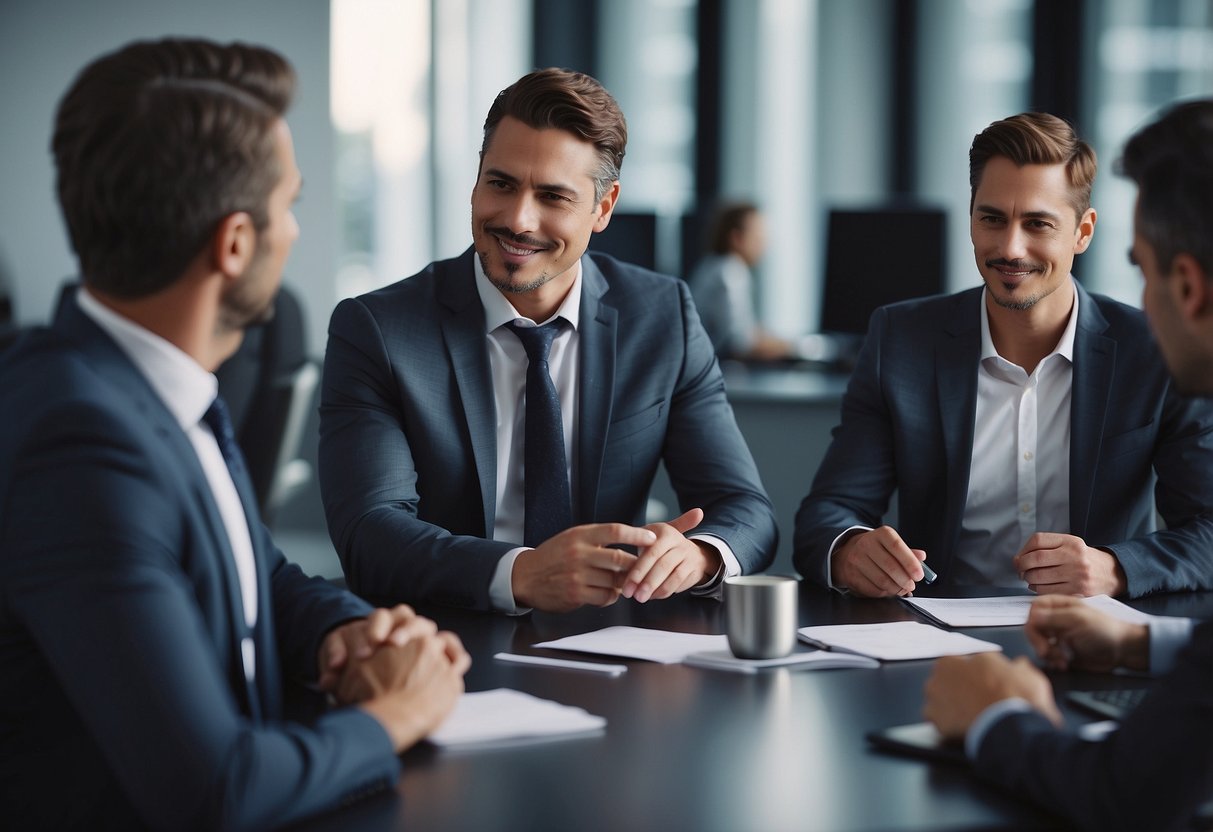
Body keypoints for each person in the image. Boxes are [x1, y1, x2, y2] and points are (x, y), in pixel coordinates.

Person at [0, 39, 470, 830]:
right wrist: (396, 714)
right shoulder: (81, 443)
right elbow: (216, 792)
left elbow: (249, 569)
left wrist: (344, 635)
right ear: (235, 243)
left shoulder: (146, 382)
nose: (293, 229)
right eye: (288, 204)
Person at [320, 68, 776, 615]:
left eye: (553, 196)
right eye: (501, 183)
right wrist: (521, 573)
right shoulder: (378, 328)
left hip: (611, 641)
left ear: (602, 209)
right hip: (444, 636)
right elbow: (369, 532)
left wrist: (699, 555)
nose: (517, 219)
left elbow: (745, 508)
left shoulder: (661, 317)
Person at [921, 97, 1213, 832]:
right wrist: (1141, 641)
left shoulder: (1140, 355)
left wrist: (992, 718)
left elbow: (1124, 794)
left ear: (1188, 287)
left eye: (1140, 270)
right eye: (991, 218)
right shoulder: (905, 337)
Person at [793, 111, 1213, 599]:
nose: (1011, 248)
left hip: (1096, 641)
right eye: (992, 218)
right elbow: (826, 516)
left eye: (1037, 223)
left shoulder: (1154, 347)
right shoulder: (900, 339)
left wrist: (1115, 569)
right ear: (971, 217)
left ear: (1083, 231)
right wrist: (850, 550)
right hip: (937, 646)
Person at [689, 201, 794, 361]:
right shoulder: (730, 271)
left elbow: (744, 330)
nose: (763, 245)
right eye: (757, 237)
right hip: (719, 367)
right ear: (736, 238)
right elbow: (740, 343)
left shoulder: (711, 266)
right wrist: (793, 347)